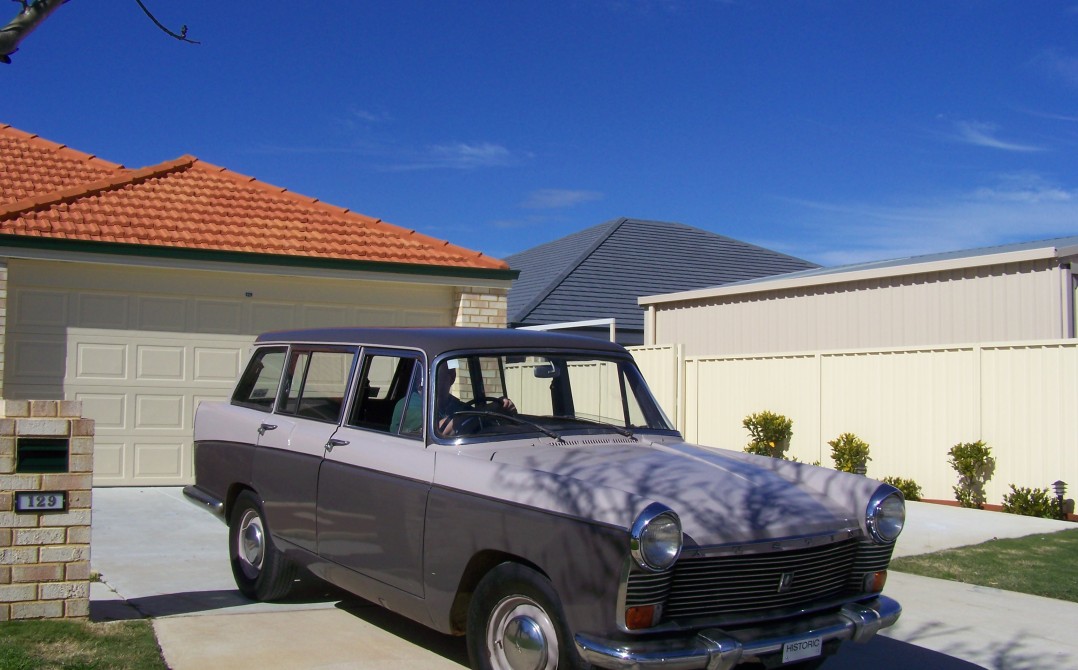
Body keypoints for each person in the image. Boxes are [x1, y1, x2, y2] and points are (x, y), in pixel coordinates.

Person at [435, 359, 515, 436]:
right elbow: (439, 432)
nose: (431, 384)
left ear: (453, 376)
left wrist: (505, 409)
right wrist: (488, 410)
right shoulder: (422, 405)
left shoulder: (460, 407)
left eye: (438, 376)